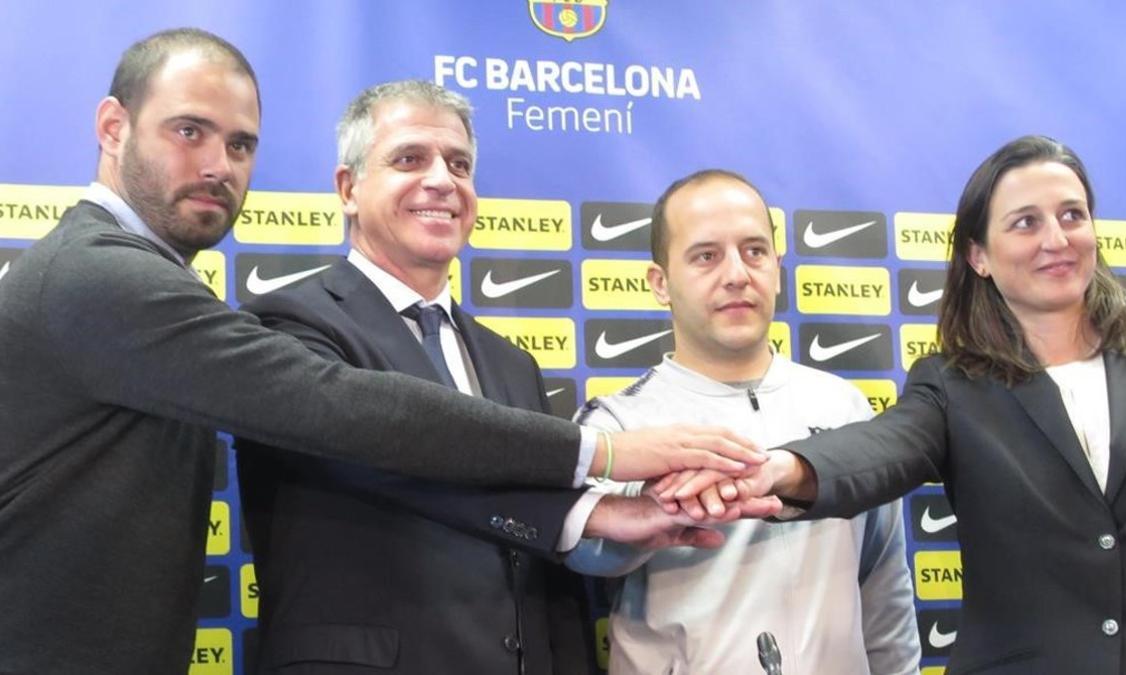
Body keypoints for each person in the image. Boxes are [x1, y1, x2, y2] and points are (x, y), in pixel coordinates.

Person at [0, 29, 765, 675]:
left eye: (239, 144)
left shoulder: (512, 362)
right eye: (188, 130)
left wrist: (600, 521)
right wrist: (605, 457)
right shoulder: (115, 279)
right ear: (112, 126)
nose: (217, 165)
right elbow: (361, 421)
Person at [235, 83, 779, 675]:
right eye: (410, 159)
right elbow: (400, 452)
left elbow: (543, 576)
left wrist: (602, 521)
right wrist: (605, 473)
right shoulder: (288, 326)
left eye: (459, 164)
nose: (442, 181)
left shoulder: (512, 365)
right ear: (348, 189)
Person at [661, 136, 1126, 674]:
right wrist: (782, 468)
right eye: (1026, 223)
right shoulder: (953, 385)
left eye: (1072, 215)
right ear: (979, 256)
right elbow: (881, 448)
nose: (1056, 238)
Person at [567, 169, 920, 674]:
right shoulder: (615, 425)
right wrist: (649, 516)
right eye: (706, 256)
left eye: (754, 251)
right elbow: (584, 557)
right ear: (660, 283)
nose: (736, 274)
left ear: (777, 269)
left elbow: (885, 590)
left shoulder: (845, 407)